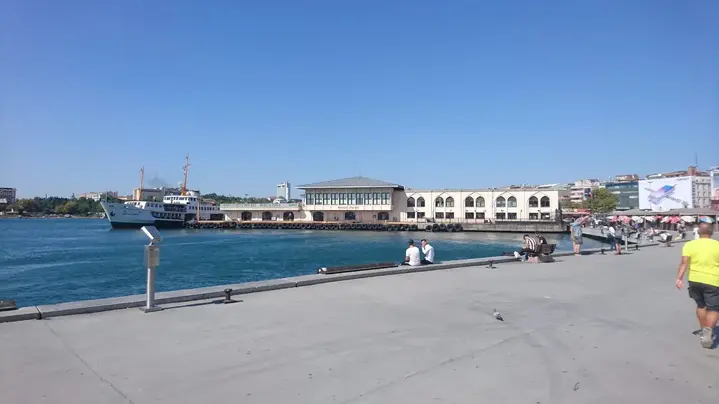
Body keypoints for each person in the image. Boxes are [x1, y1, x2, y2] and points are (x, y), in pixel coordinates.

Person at [675, 223, 719, 349]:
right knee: (714, 309)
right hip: (713, 280)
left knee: (701, 305)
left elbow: (684, 263)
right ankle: (708, 330)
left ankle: (704, 330)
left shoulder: (689, 245)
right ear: (711, 232)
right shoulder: (717, 245)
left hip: (694, 280)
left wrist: (679, 278)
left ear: (698, 232)